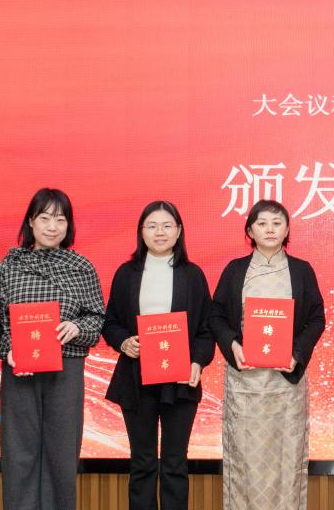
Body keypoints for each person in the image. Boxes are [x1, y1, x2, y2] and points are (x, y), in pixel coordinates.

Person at [209, 199, 326, 510]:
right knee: (244, 459)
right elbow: (215, 316)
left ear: (287, 230)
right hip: (245, 382)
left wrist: (297, 353)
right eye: (262, 223)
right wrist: (233, 345)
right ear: (250, 231)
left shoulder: (301, 270)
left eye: (277, 223)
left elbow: (317, 318)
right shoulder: (236, 270)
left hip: (285, 383)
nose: (270, 229)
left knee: (288, 459)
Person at [0, 188, 105, 510]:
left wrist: (77, 328)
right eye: (45, 218)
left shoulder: (81, 267)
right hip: (20, 369)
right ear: (30, 222)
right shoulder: (8, 266)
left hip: (66, 369)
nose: (52, 227)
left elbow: (97, 317)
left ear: (69, 225)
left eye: (60, 219)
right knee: (19, 451)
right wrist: (8, 350)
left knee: (62, 452)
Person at [102, 201, 215, 510]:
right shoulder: (127, 273)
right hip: (136, 377)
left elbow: (206, 329)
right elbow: (110, 322)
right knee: (142, 461)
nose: (160, 232)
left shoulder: (192, 275)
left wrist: (197, 361)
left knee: (175, 463)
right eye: (152, 226)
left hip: (180, 379)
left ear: (179, 232)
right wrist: (124, 342)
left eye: (167, 225)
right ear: (141, 232)